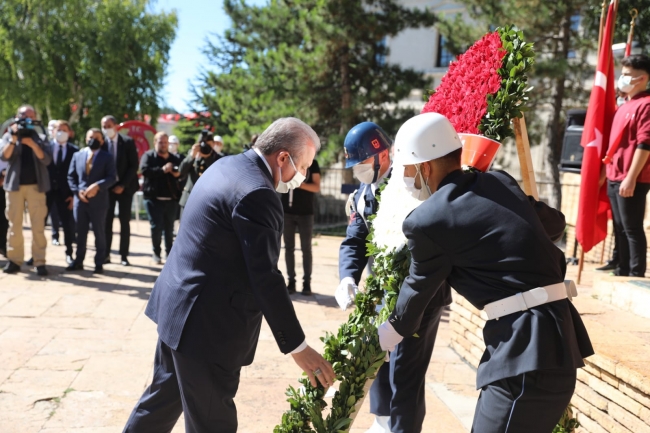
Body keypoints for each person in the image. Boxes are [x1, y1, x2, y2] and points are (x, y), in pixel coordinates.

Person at [377, 112, 594, 433]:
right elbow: (555, 223)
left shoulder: (427, 220)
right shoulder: (500, 182)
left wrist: (392, 330)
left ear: (424, 167)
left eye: (407, 170)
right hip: (558, 339)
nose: (406, 179)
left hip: (526, 350)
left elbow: (419, 284)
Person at [122, 117, 335, 433]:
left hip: (179, 309)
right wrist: (298, 347)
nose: (302, 177)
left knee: (159, 404)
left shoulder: (228, 165)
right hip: (207, 328)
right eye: (302, 166)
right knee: (212, 423)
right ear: (282, 157)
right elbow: (265, 278)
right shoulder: (258, 193)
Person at [333, 122, 396, 433]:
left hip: (412, 291)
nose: (356, 170)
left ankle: (398, 423)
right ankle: (384, 419)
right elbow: (355, 241)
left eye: (360, 163)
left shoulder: (408, 186)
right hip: (381, 290)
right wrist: (347, 277)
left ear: (381, 155)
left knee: (403, 364)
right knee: (378, 355)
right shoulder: (362, 194)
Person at [603, 54, 650, 277]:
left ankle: (635, 274)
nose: (621, 79)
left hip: (632, 178)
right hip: (614, 174)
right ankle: (621, 270)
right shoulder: (625, 105)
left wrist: (631, 177)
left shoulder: (646, 104)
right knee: (620, 228)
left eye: (627, 75)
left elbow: (645, 143)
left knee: (632, 228)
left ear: (641, 78)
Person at [0, 105, 53, 276]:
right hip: (14, 187)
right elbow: (4, 156)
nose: (26, 120)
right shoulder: (9, 136)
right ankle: (14, 260)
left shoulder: (42, 137)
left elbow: (46, 159)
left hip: (36, 187)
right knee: (14, 225)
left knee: (38, 226)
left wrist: (32, 144)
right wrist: (14, 139)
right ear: (16, 117)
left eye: (30, 117)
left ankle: (39, 261)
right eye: (23, 116)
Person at [66, 129, 116, 274]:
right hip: (80, 201)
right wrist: (77, 191)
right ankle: (78, 261)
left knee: (99, 233)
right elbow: (71, 176)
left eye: (96, 138)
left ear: (101, 141)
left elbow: (112, 177)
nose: (93, 140)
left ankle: (99, 262)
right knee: (80, 233)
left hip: (99, 201)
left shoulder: (107, 157)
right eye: (90, 137)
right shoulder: (78, 155)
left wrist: (98, 186)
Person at [101, 115, 139, 266]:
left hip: (126, 188)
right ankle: (106, 254)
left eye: (109, 126)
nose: (106, 129)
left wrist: (122, 185)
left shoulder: (127, 142)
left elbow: (133, 165)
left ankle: (124, 255)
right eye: (104, 126)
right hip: (107, 189)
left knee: (124, 222)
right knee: (106, 222)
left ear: (116, 126)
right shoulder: (102, 143)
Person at [140, 132, 182, 264]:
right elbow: (145, 171)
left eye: (165, 142)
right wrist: (163, 170)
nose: (163, 144)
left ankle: (169, 254)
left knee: (169, 229)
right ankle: (156, 252)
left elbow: (182, 172)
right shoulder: (148, 156)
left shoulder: (175, 158)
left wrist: (176, 173)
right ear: (155, 142)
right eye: (160, 142)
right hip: (153, 199)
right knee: (156, 227)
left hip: (171, 200)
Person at [281, 158, 321, 295]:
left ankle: (307, 283)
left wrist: (300, 185)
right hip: (287, 212)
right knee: (288, 248)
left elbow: (316, 186)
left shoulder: (312, 163)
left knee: (306, 249)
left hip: (306, 213)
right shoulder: (287, 161)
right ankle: (291, 281)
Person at [46, 120, 79, 265]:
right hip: (46, 192)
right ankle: (36, 256)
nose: (60, 132)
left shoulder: (75, 151)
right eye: (58, 129)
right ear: (53, 131)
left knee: (68, 225)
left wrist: (73, 195)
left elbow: (77, 175)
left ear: (70, 132)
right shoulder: (45, 148)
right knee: (39, 224)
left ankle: (69, 253)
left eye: (64, 129)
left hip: (66, 194)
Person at [178, 131, 221, 220]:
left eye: (209, 145)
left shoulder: (218, 157)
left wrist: (207, 157)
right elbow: (182, 170)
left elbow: (218, 174)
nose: (205, 147)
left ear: (213, 144)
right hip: (189, 198)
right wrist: (191, 156)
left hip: (207, 201)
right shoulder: (193, 154)